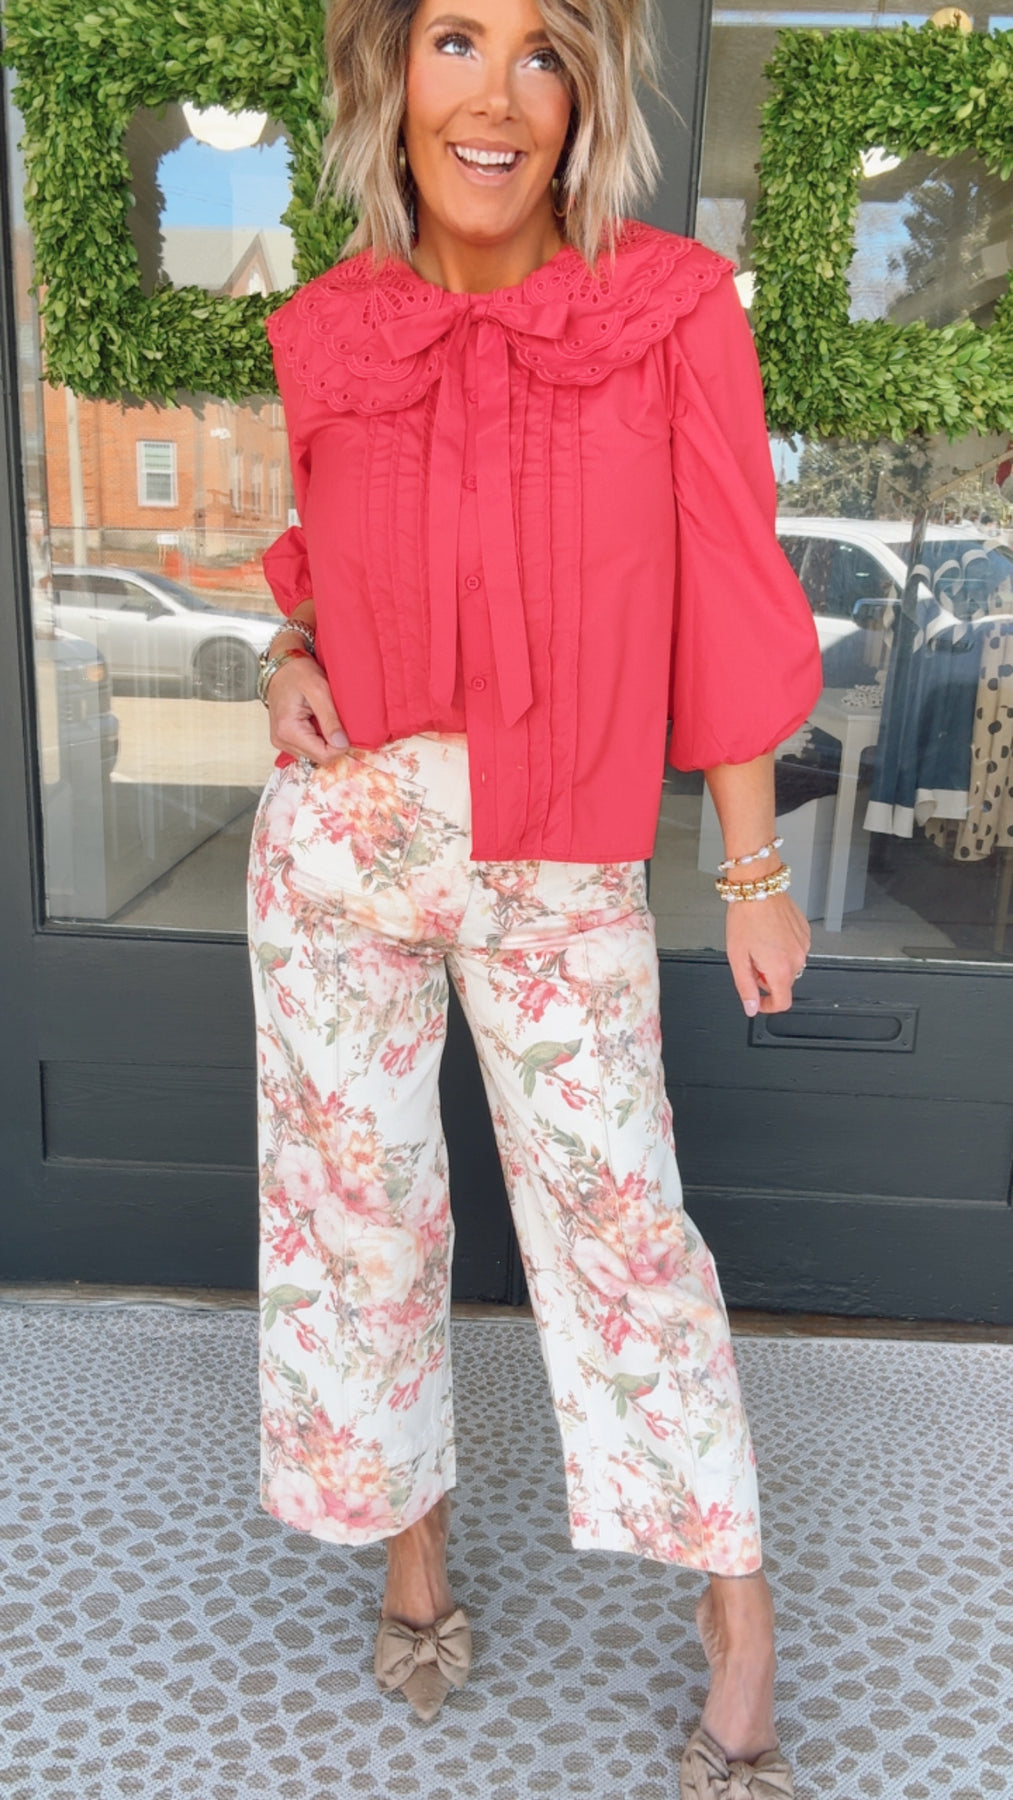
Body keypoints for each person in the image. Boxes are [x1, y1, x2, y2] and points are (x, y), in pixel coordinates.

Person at [248, 1, 820, 1792]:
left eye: (543, 53)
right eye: (455, 42)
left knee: (622, 1230)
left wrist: (747, 869)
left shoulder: (669, 309)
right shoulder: (326, 327)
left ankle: (735, 1605)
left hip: (559, 849)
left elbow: (726, 588)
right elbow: (321, 565)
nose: (496, 95)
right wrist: (282, 652)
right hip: (346, 844)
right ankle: (410, 1542)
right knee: (360, 1221)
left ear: (585, 99)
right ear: (389, 78)